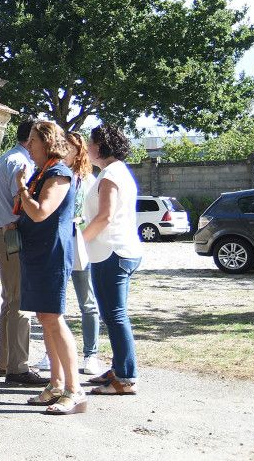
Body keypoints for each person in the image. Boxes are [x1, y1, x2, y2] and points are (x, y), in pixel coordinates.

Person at [16, 120, 85, 415]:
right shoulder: (44, 172)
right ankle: (56, 384)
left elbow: (41, 212)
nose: (29, 146)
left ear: (46, 143)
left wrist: (21, 189)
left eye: (32, 141)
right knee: (45, 318)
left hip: (52, 255)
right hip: (38, 253)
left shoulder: (58, 173)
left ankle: (75, 390)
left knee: (54, 319)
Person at [82, 124, 143, 395]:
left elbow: (104, 216)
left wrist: (77, 243)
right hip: (117, 251)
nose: (86, 147)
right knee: (114, 314)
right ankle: (119, 369)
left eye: (90, 142)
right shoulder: (116, 172)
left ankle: (126, 378)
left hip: (112, 252)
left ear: (101, 146)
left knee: (115, 315)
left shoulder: (110, 175)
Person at [0, 120, 45, 386]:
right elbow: (20, 204)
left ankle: (6, 362)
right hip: (11, 234)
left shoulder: (8, 158)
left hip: (1, 234)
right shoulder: (22, 163)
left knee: (10, 300)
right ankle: (17, 367)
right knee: (20, 301)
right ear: (31, 139)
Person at [65, 130, 103, 376]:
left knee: (87, 302)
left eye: (69, 147)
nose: (64, 150)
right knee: (53, 303)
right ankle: (53, 351)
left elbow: (96, 215)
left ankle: (91, 354)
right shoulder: (53, 176)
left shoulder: (89, 180)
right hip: (58, 243)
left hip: (80, 242)